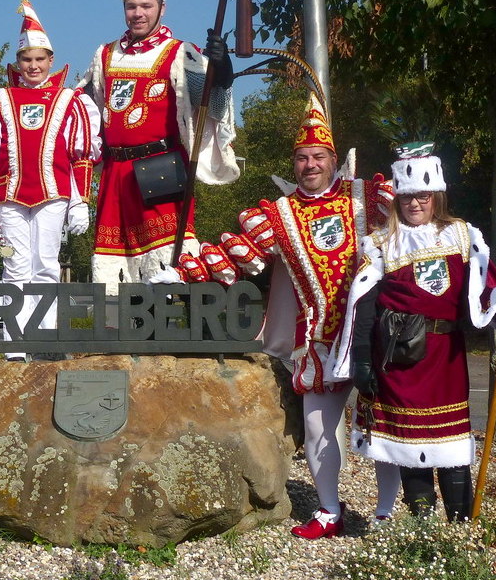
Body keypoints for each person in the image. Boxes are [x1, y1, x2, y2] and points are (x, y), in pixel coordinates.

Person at [150, 95, 394, 539]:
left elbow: (416, 222)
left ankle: (384, 515)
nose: (309, 165)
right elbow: (234, 254)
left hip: (374, 335)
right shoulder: (279, 215)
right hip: (320, 338)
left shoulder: (365, 199)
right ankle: (328, 511)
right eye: (302, 158)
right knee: (320, 429)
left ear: (333, 159)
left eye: (318, 156)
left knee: (385, 432)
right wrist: (181, 274)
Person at [331, 142, 496, 522]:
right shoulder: (380, 244)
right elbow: (364, 308)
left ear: (436, 196)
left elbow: (488, 289)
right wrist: (362, 364)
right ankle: (422, 529)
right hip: (399, 361)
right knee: (408, 447)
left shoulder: (462, 236)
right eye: (407, 197)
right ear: (398, 199)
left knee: (452, 449)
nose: (415, 203)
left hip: (445, 356)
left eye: (422, 196)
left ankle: (460, 527)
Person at [77, 0, 240, 293]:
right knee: (115, 265)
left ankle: (163, 336)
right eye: (131, 6)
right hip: (116, 176)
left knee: (164, 262)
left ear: (161, 7)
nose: (138, 13)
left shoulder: (180, 53)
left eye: (146, 6)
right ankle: (119, 335)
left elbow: (209, 103)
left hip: (161, 171)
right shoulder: (104, 55)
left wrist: (222, 72)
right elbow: (83, 111)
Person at [0, 0, 101, 361]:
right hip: (9, 197)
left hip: (54, 195)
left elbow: (81, 156)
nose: (34, 66)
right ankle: (14, 341)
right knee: (14, 266)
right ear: (17, 63)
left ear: (51, 61)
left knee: (46, 264)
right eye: (27, 60)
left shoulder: (69, 101)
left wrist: (80, 203)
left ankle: (42, 338)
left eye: (40, 59)